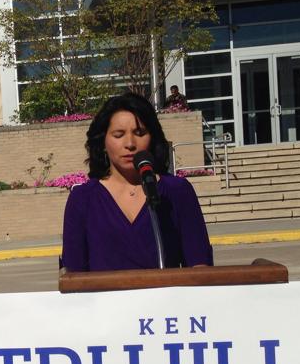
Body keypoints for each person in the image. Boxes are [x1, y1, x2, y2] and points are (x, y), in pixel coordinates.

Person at [61, 93, 212, 271]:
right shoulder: (83, 199)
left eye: (139, 133)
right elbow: (72, 275)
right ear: (103, 141)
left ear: (152, 138)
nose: (130, 144)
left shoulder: (177, 191)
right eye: (118, 135)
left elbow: (200, 265)